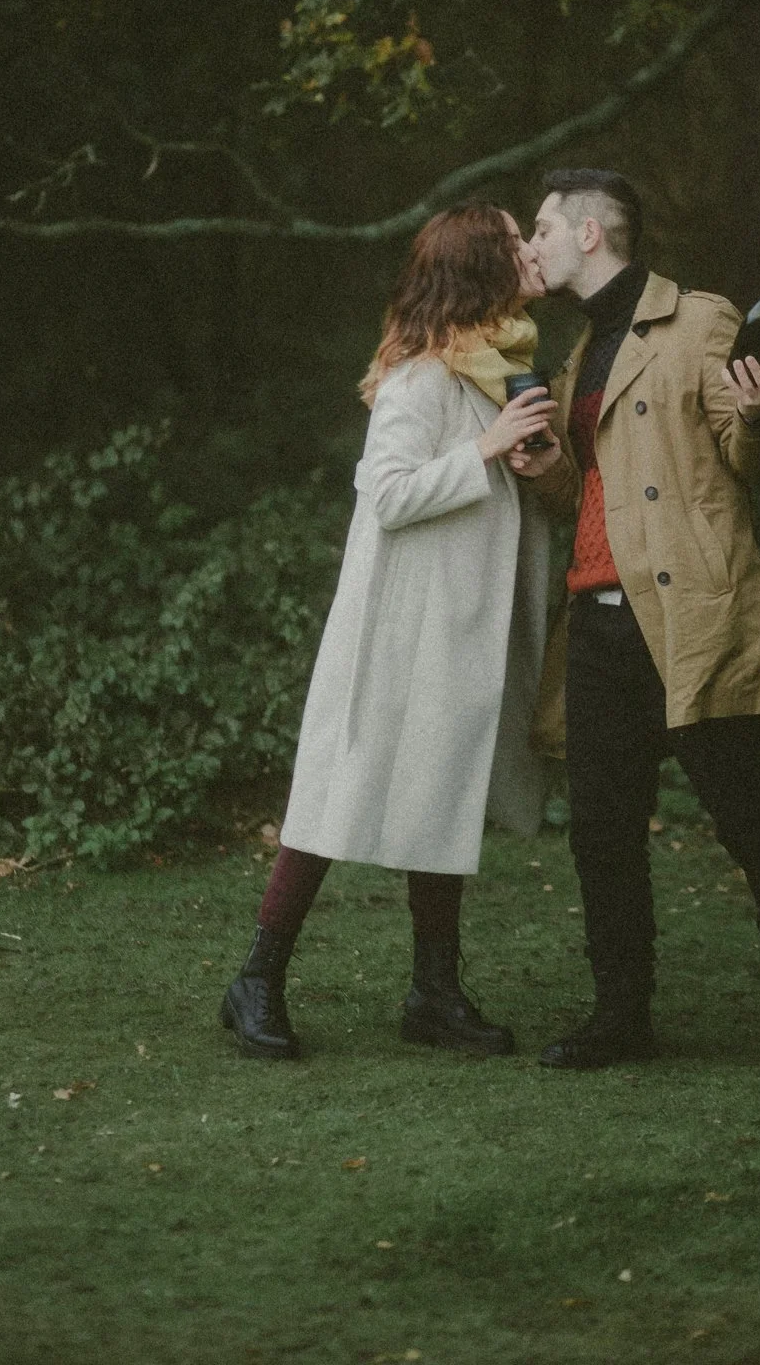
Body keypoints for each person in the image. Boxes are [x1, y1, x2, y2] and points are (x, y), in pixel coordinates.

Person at [516, 168, 760, 1069]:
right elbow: (591, 497)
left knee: (745, 813)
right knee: (602, 831)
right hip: (596, 621)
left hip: (685, 611)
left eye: (542, 228)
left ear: (590, 233)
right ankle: (620, 1015)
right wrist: (547, 469)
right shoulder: (580, 351)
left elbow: (747, 457)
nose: (532, 244)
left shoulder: (698, 321)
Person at [219, 202, 559, 1061]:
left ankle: (433, 995)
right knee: (336, 792)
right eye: (513, 241)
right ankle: (256, 978)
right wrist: (486, 449)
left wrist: (522, 459)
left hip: (459, 626)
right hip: (400, 632)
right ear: (481, 266)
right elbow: (390, 492)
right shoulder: (422, 376)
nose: (530, 249)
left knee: (442, 793)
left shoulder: (495, 368)